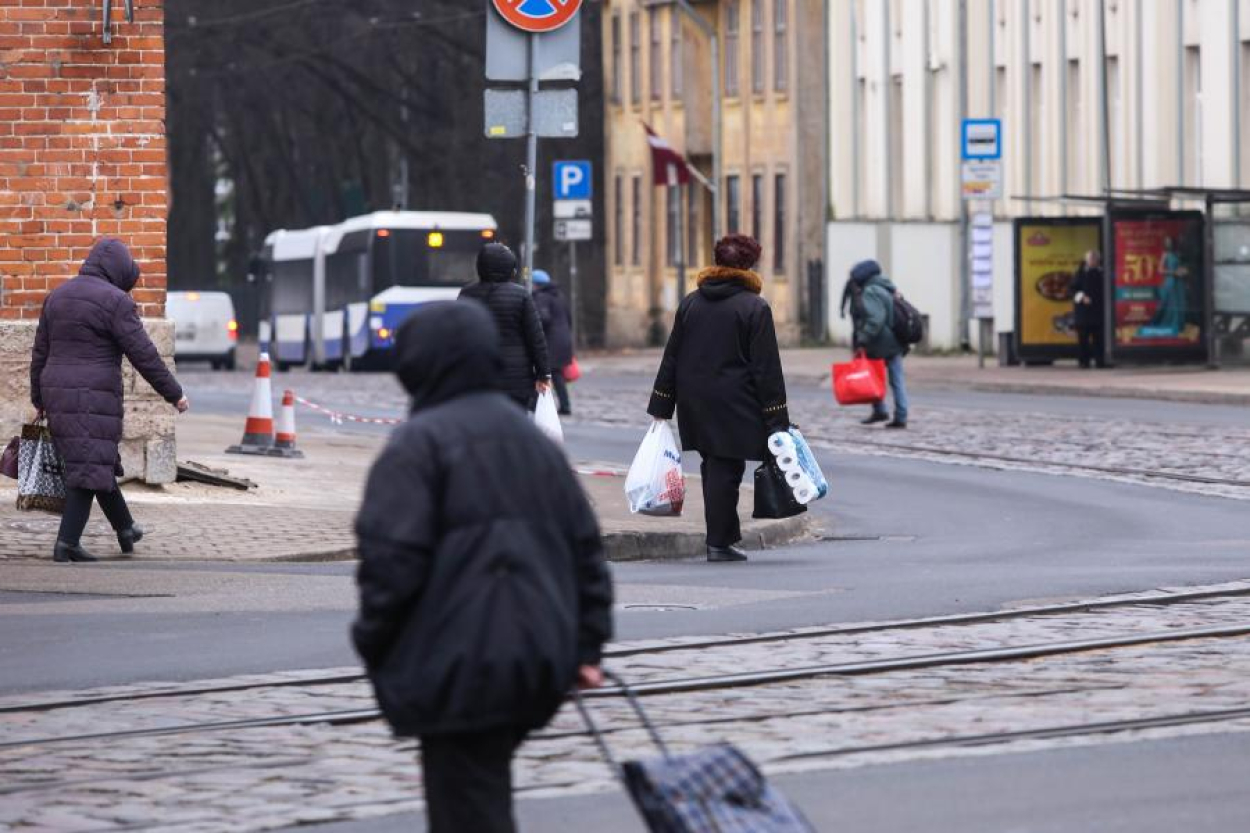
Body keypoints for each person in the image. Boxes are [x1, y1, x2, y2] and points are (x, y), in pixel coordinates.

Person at [352, 301, 613, 833]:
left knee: (466, 806)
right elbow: (585, 550)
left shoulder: (416, 446)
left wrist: (374, 643)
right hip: (534, 661)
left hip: (452, 663)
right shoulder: (534, 444)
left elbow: (390, 567)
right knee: (482, 791)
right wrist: (586, 646)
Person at [29, 238, 189, 563]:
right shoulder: (116, 302)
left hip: (56, 390)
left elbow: (39, 353)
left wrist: (38, 397)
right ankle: (67, 543)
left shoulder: (57, 297)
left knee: (95, 459)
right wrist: (174, 393)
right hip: (93, 394)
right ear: (117, 270)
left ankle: (126, 528)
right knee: (87, 467)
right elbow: (144, 354)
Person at [647, 234, 789, 564]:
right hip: (735, 400)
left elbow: (672, 355)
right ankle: (718, 542)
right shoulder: (754, 307)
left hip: (694, 400)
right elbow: (766, 367)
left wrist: (662, 404)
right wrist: (776, 418)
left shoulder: (692, 302)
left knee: (715, 466)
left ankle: (722, 538)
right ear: (749, 265)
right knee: (726, 469)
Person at [459, 243, 552, 410]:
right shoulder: (520, 295)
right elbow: (535, 338)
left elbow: (459, 336)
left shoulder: (467, 294)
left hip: (477, 378)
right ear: (511, 268)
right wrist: (543, 373)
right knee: (514, 429)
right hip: (516, 380)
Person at [844, 259, 909, 429]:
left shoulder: (871, 291)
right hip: (894, 340)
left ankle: (883, 411)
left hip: (880, 343)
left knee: (874, 377)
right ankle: (898, 414)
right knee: (896, 379)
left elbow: (875, 319)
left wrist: (863, 338)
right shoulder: (887, 287)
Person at [531, 269, 574, 415]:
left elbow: (544, 319)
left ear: (535, 284)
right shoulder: (559, 295)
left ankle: (538, 404)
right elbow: (569, 318)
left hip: (551, 341)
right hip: (563, 339)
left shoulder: (541, 297)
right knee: (554, 374)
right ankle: (563, 405)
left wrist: (534, 330)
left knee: (545, 372)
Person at [1069, 249, 1106, 368]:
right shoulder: (1080, 273)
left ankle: (1100, 361)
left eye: (1095, 259)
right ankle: (1084, 362)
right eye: (1091, 259)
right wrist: (1082, 297)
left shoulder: (1102, 272)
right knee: (1083, 339)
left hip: (1099, 311)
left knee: (1099, 338)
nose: (1093, 261)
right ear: (1087, 260)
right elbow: (1072, 289)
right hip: (1083, 312)